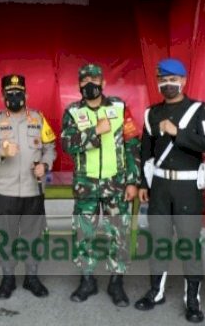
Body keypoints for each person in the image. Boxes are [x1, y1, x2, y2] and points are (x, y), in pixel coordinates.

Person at [134, 58, 205, 323]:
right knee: (159, 240)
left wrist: (177, 133)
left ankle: (192, 300)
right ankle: (156, 291)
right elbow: (145, 150)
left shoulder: (199, 110)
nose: (167, 84)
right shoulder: (151, 113)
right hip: (159, 186)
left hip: (187, 188)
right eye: (163, 80)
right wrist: (143, 183)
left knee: (189, 244)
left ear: (183, 81)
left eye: (173, 79)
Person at [61, 63, 140, 307]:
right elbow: (67, 144)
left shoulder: (119, 107)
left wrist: (133, 180)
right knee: (84, 233)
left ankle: (117, 282)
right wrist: (95, 131)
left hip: (116, 184)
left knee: (119, 233)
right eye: (84, 81)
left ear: (103, 83)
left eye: (94, 80)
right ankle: (87, 280)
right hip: (86, 185)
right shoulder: (73, 112)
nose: (90, 85)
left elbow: (132, 144)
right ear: (79, 85)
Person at [0, 74, 56, 299]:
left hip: (33, 189)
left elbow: (50, 148)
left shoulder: (38, 118)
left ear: (27, 94)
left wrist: (45, 164)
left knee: (33, 235)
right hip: (6, 190)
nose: (15, 97)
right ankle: (8, 278)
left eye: (19, 93)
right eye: (10, 93)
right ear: (2, 96)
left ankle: (31, 277)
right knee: (7, 236)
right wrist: (2, 152)